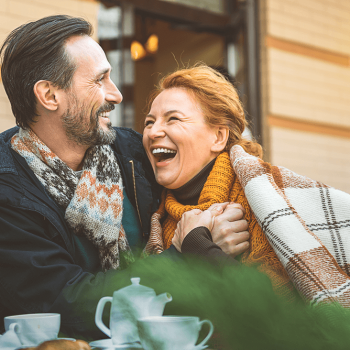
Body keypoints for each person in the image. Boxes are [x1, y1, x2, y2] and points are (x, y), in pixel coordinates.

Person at [0, 16, 250, 338]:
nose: (115, 95)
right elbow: (69, 304)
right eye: (99, 80)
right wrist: (189, 256)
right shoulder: (8, 192)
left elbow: (203, 168)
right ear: (49, 96)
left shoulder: (131, 151)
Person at [143, 64, 350, 306]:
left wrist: (197, 245)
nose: (153, 131)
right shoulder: (154, 216)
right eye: (149, 122)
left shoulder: (266, 201)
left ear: (218, 137)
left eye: (173, 119)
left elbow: (281, 317)